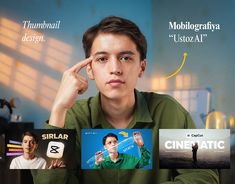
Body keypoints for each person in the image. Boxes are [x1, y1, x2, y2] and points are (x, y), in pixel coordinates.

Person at [32, 16, 219, 183]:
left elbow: (205, 175)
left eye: (126, 58)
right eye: (102, 59)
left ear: (142, 67)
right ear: (89, 69)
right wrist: (58, 109)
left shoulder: (169, 110)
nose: (115, 68)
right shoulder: (72, 117)